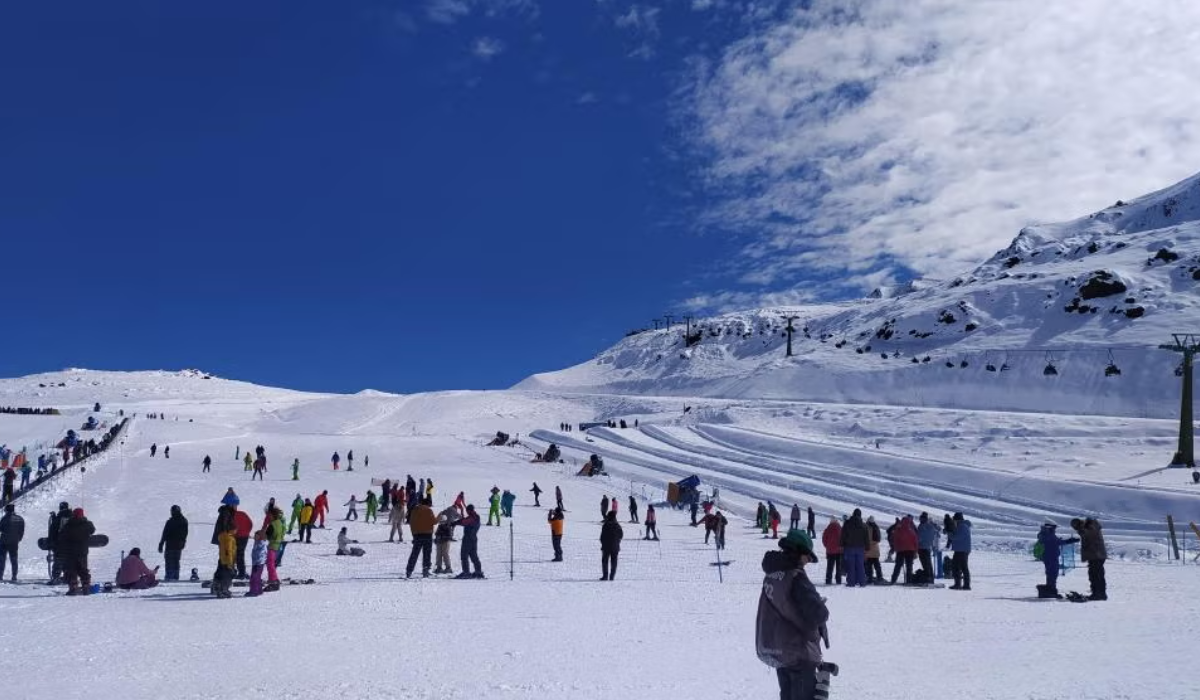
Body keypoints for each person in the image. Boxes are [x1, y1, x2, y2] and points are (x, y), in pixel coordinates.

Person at [755, 529, 830, 700]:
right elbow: (818, 614)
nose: (808, 562)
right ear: (798, 552)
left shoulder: (772, 574)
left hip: (779, 650)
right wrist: (820, 606)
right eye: (807, 557)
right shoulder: (796, 577)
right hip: (799, 651)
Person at [1037, 518, 1078, 598]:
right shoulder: (1048, 535)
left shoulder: (1045, 534)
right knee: (1052, 574)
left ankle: (1051, 590)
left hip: (1049, 557)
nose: (1055, 530)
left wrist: (1069, 541)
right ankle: (1050, 591)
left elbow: (1056, 542)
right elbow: (1058, 542)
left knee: (1051, 574)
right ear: (1050, 527)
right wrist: (1070, 540)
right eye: (1054, 528)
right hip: (1051, 558)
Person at [59, 508, 96, 595]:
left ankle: (73, 588)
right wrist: (85, 520)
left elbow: (62, 536)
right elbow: (92, 530)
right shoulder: (87, 524)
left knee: (71, 570)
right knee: (83, 569)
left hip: (70, 552)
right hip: (83, 552)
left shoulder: (68, 525)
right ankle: (86, 587)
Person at [1071, 517, 1107, 600]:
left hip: (1097, 555)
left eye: (1076, 527)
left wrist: (1081, 529)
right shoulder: (1087, 527)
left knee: (1097, 575)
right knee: (1093, 575)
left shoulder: (1091, 525)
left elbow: (1088, 533)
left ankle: (1100, 594)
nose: (1077, 530)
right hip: (1094, 555)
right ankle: (1096, 592)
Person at [406, 497, 437, 578]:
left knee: (414, 553)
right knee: (427, 554)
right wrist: (439, 517)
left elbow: (411, 523)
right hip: (428, 535)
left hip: (417, 535)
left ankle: (409, 571)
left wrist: (414, 535)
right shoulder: (429, 510)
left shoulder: (414, 510)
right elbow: (434, 521)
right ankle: (425, 571)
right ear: (427, 503)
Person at [157, 505, 188, 581]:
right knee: (175, 560)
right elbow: (185, 533)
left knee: (170, 560)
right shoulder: (183, 521)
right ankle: (175, 576)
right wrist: (183, 542)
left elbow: (165, 533)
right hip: (178, 545)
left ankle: (170, 576)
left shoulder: (171, 522)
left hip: (171, 544)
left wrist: (161, 544)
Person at [840, 510, 868, 587]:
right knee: (860, 566)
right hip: (860, 548)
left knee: (851, 566)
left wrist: (841, 545)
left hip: (849, 547)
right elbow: (866, 538)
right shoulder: (864, 525)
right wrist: (867, 548)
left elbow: (843, 535)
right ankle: (862, 582)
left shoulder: (847, 523)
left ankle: (851, 582)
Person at [890, 515, 919, 585]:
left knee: (898, 565)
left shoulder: (898, 530)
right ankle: (909, 581)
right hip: (910, 550)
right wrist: (916, 551)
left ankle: (893, 579)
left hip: (900, 550)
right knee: (909, 566)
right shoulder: (911, 530)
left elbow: (895, 540)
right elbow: (915, 541)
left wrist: (895, 548)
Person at [456, 504, 483, 578]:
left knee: (464, 555)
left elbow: (464, 522)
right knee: (473, 555)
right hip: (473, 538)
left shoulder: (473, 517)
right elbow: (464, 520)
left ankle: (466, 572)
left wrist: (455, 523)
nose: (467, 512)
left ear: (469, 510)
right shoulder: (476, 516)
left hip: (468, 538)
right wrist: (457, 522)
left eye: (467, 511)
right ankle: (478, 571)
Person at [0, 504, 25, 581]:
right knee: (14, 559)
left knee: (2, 560)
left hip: (4, 542)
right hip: (14, 542)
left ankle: (0, 576)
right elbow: (21, 531)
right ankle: (14, 576)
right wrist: (18, 539)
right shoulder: (20, 519)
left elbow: (1, 529)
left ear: (7, 510)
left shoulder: (4, 519)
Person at [948, 512, 972, 591]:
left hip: (961, 550)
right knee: (960, 567)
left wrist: (950, 535)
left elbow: (957, 537)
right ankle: (963, 584)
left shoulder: (962, 526)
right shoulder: (963, 526)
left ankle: (962, 584)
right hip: (962, 549)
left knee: (959, 567)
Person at [213, 521, 237, 599]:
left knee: (221, 574)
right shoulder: (229, 539)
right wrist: (230, 563)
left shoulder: (222, 536)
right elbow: (228, 551)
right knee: (227, 576)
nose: (236, 531)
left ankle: (217, 587)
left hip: (222, 559)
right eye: (235, 530)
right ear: (231, 530)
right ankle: (223, 590)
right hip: (227, 561)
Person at [434, 508, 460, 575]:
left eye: (443, 522)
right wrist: (436, 538)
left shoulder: (448, 527)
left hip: (445, 542)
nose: (441, 523)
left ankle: (448, 567)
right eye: (441, 522)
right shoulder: (439, 527)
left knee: (445, 554)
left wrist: (443, 537)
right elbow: (437, 533)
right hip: (439, 542)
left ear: (445, 521)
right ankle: (439, 567)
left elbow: (449, 535)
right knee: (438, 554)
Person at [600, 511, 623, 581]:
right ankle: (612, 576)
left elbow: (602, 536)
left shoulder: (606, 525)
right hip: (615, 546)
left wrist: (603, 543)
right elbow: (621, 535)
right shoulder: (617, 525)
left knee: (605, 561)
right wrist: (617, 541)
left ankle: (605, 576)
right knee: (614, 561)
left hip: (606, 546)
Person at [265, 509, 285, 589]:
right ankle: (273, 579)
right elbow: (283, 531)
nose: (269, 517)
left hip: (273, 546)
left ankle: (273, 580)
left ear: (273, 515)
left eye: (270, 515)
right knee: (271, 564)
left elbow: (267, 535)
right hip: (278, 545)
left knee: (270, 564)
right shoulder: (280, 522)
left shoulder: (272, 524)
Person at [916, 512, 938, 582]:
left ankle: (928, 577)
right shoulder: (931, 526)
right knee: (928, 563)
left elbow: (920, 537)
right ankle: (931, 577)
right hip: (928, 547)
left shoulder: (922, 526)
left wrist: (917, 543)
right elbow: (935, 534)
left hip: (922, 547)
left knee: (925, 563)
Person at [821, 517, 843, 585]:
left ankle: (828, 579)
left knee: (830, 566)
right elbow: (843, 539)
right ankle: (838, 580)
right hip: (839, 550)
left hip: (830, 550)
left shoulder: (827, 529)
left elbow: (824, 539)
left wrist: (827, 546)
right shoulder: (840, 529)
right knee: (838, 566)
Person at [247, 531, 267, 597]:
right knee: (256, 577)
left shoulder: (261, 543)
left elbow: (261, 554)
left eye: (256, 536)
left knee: (254, 577)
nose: (255, 537)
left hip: (258, 563)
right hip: (256, 563)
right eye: (255, 536)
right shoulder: (257, 542)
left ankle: (254, 591)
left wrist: (257, 562)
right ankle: (259, 590)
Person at [865, 516, 883, 584]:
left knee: (869, 565)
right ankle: (879, 577)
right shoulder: (876, 527)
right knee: (877, 565)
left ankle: (869, 578)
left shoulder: (866, 527)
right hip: (875, 549)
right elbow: (878, 539)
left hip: (868, 549)